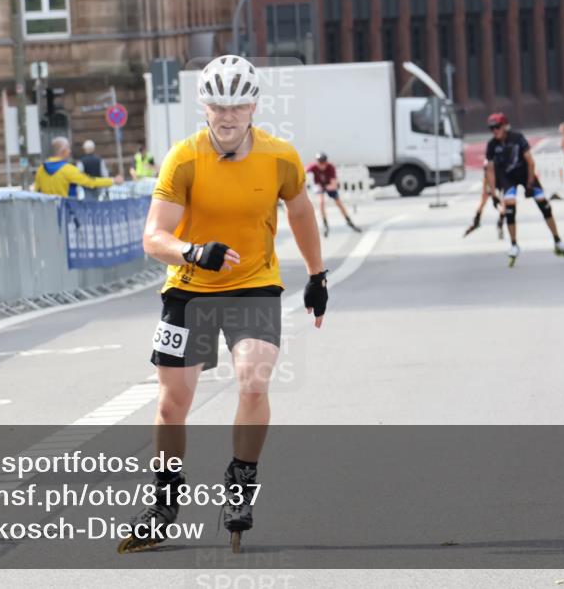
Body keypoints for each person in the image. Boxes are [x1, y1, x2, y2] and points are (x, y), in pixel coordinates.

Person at [119, 55, 327, 554]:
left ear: (255, 104)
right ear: (204, 106)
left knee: (254, 381)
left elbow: (299, 212)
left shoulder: (280, 157)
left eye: (238, 104)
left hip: (254, 284)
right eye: (218, 104)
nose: (228, 115)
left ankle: (239, 487)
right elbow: (153, 237)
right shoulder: (184, 159)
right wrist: (193, 250)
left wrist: (318, 274)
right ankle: (165, 502)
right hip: (190, 287)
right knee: (172, 406)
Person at [484, 113, 564, 266]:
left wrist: (529, 183)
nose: (494, 131)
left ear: (504, 126)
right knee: (510, 205)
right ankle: (514, 245)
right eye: (491, 128)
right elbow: (490, 170)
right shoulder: (492, 145)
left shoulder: (517, 138)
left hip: (524, 173)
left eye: (497, 127)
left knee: (544, 204)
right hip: (507, 178)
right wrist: (493, 192)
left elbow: (530, 161)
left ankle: (558, 240)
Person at [34, 137, 123, 197]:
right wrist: (112, 180)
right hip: (65, 212)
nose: (70, 151)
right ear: (63, 151)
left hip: (45, 215)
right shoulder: (67, 169)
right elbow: (89, 182)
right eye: (68, 148)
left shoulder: (41, 169)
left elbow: (37, 191)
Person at [305, 152, 361, 237]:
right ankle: (325, 223)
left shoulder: (330, 167)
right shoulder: (314, 167)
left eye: (323, 163)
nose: (322, 165)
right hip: (320, 186)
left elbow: (334, 184)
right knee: (321, 202)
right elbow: (304, 172)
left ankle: (348, 220)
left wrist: (326, 187)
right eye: (320, 163)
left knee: (339, 203)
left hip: (329, 186)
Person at [464, 160, 505, 240]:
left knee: (502, 202)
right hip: (490, 180)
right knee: (484, 201)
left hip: (498, 179)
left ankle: (500, 222)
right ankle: (477, 221)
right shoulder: (489, 166)